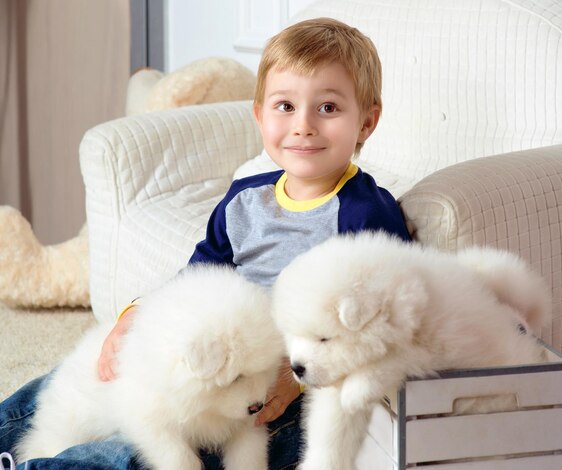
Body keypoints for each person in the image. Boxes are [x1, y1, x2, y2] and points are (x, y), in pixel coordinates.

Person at [0, 17, 411, 470]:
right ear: (259, 115)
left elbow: (381, 327)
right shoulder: (245, 200)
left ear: (367, 121)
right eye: (285, 106)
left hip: (275, 400)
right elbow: (198, 273)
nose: (304, 126)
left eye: (328, 108)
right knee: (62, 389)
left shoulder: (366, 213)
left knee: (128, 456)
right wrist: (135, 315)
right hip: (218, 362)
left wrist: (299, 379)